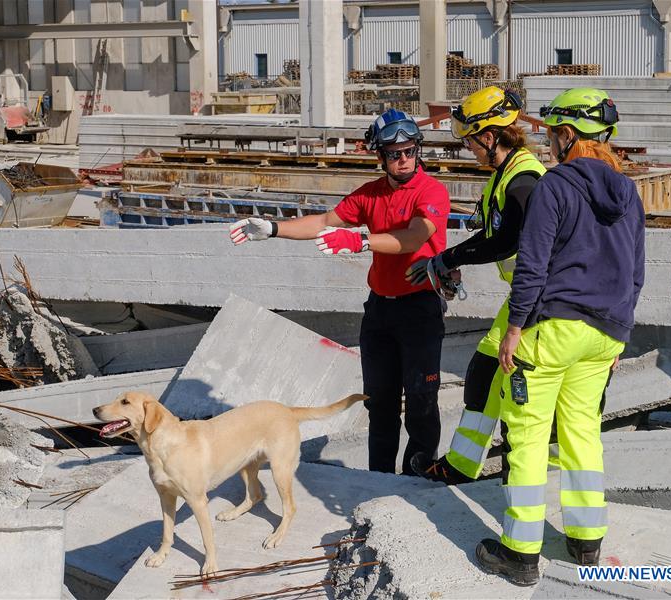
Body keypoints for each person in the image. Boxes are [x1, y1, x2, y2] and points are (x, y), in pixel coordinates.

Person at [475, 88, 645, 586]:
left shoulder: (555, 186)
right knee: (582, 434)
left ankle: (521, 554)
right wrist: (620, 337)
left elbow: (533, 265)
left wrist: (514, 328)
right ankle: (586, 542)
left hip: (552, 331)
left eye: (552, 136)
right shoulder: (628, 193)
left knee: (526, 438)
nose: (549, 145)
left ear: (568, 135)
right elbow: (636, 274)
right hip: (604, 336)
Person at [228, 108, 451, 475]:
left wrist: (362, 241)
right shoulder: (371, 195)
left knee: (422, 402)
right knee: (379, 403)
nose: (404, 160)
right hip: (380, 313)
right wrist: (272, 228)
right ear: (381, 156)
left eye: (410, 151)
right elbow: (323, 222)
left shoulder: (431, 191)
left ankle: (418, 479)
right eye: (395, 154)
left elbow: (415, 236)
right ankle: (380, 480)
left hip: (420, 311)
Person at [404, 86, 546, 485]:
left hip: (538, 301)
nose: (469, 148)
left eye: (471, 141)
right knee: (484, 373)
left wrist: (449, 258)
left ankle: (524, 470)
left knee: (519, 389)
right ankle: (461, 466)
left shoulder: (524, 181)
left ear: (490, 136)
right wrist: (454, 256)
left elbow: (507, 241)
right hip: (524, 296)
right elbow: (492, 230)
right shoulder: (508, 173)